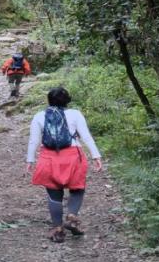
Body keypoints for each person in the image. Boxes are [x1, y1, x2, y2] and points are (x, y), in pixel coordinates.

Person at [26, 87, 104, 243]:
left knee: (54, 194)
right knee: (77, 188)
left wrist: (30, 160)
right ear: (67, 100)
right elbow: (86, 136)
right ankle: (72, 216)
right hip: (73, 155)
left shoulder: (39, 116)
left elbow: (34, 140)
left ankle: (57, 229)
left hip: (49, 156)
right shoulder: (75, 114)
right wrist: (96, 155)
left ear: (49, 100)